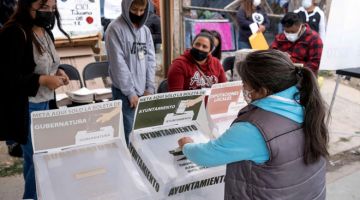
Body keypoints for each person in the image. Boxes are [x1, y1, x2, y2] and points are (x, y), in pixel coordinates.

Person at [178, 49, 328, 200]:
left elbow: (206, 155)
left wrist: (186, 145)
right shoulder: (307, 104)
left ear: (263, 91)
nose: (244, 89)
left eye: (245, 84)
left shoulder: (253, 128)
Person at [0, 0, 70, 199]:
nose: (48, 12)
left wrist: (58, 72)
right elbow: (7, 78)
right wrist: (42, 79)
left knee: (34, 160)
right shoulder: (15, 33)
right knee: (42, 160)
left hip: (45, 104)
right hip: (26, 108)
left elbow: (48, 63)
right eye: (43, 7)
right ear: (27, 6)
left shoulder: (45, 32)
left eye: (52, 8)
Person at [105, 0, 156, 145]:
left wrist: (150, 87)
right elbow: (118, 64)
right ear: (126, 7)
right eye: (134, 10)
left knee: (144, 132)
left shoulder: (145, 31)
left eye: (142, 10)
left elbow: (151, 60)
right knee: (128, 134)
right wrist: (130, 92)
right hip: (125, 92)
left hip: (144, 91)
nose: (138, 14)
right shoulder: (115, 29)